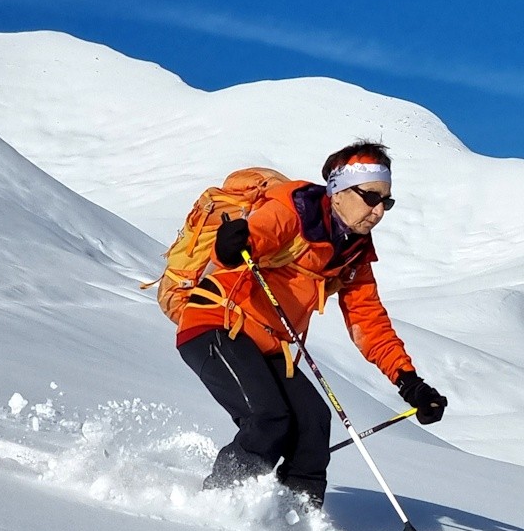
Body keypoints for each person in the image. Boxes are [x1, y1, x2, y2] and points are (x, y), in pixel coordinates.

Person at [176, 141, 447, 509]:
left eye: (387, 201)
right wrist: (231, 245)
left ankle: (299, 521)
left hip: (267, 344)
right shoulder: (295, 208)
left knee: (313, 425)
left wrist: (409, 382)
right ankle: (215, 505)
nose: (379, 211)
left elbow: (369, 322)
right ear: (338, 191)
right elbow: (257, 235)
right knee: (269, 418)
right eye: (371, 197)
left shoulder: (355, 253)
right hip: (215, 323)